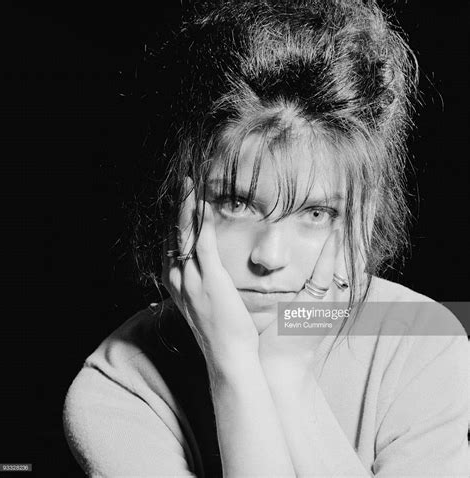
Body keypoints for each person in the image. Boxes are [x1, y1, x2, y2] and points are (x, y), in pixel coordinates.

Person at [63, 1, 469, 476]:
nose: (270, 257)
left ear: (362, 217)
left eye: (316, 212)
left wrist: (287, 376)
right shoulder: (117, 390)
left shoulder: (422, 341)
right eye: (236, 203)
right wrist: (234, 367)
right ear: (175, 197)